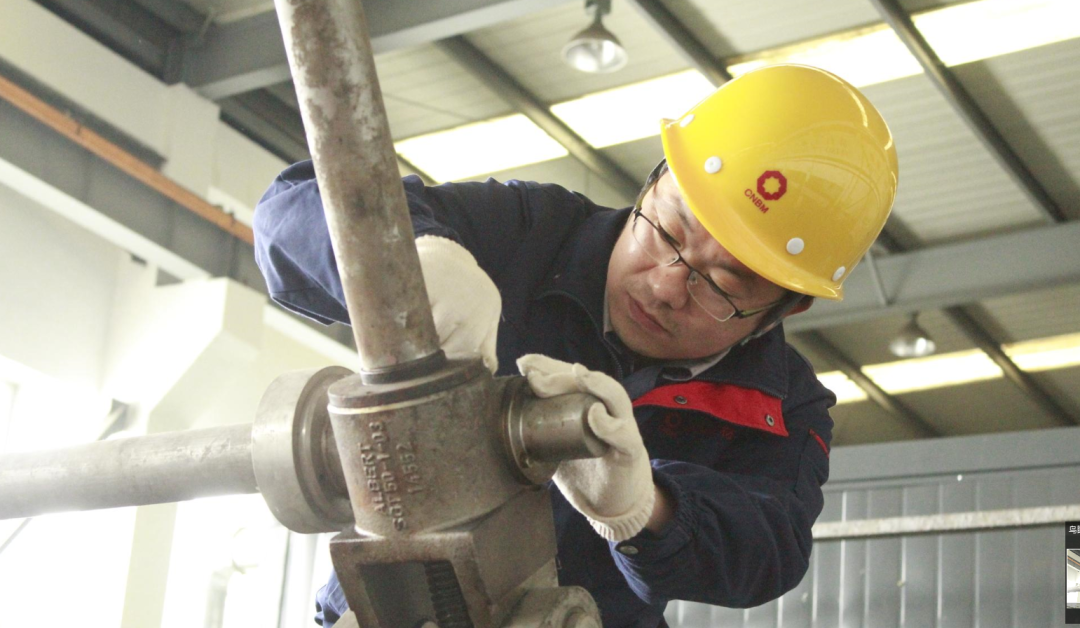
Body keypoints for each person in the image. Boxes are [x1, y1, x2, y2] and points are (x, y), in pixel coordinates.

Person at [253, 64, 898, 628]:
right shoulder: (528, 234)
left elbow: (770, 549)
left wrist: (644, 507)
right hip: (385, 607)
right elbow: (290, 210)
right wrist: (408, 262)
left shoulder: (781, 407)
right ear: (652, 181)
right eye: (667, 230)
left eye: (722, 285)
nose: (666, 285)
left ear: (788, 307)